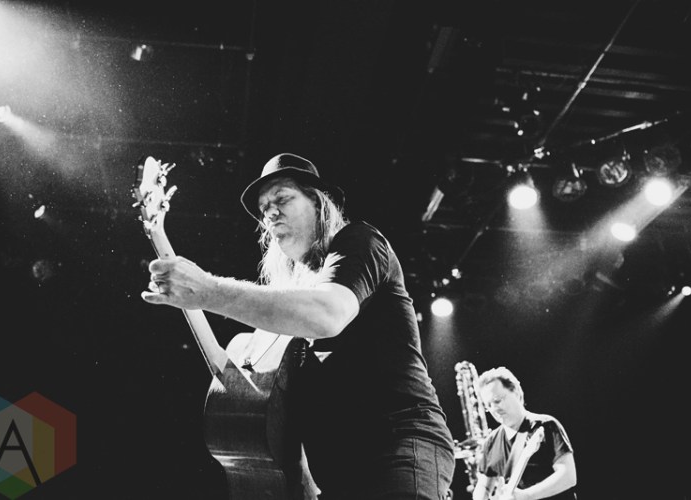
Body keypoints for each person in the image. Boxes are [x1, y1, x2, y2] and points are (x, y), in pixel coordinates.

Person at [142, 152, 456, 499]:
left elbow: (327, 315)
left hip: (398, 443)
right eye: (264, 208)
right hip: (338, 469)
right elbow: (243, 386)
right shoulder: (287, 301)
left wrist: (209, 290)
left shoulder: (359, 242)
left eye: (282, 199)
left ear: (319, 203)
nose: (270, 213)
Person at [471, 367, 577, 500]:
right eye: (488, 406)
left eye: (497, 401)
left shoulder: (545, 426)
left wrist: (527, 495)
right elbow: (484, 486)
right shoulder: (491, 441)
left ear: (516, 392)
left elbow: (568, 476)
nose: (494, 409)